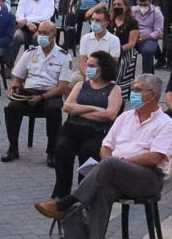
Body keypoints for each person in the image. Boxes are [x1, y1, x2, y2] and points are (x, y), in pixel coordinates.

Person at [34, 74, 172, 239]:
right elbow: (105, 147)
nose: (132, 94)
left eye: (137, 90)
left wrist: (121, 162)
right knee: (103, 189)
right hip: (115, 174)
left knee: (109, 165)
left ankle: (66, 202)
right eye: (133, 89)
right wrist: (112, 161)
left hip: (148, 177)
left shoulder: (166, 124)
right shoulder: (125, 117)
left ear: (152, 95)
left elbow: (155, 158)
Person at [50, 51, 123, 198]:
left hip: (98, 132)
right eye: (87, 64)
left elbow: (109, 114)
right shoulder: (80, 85)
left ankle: (84, 192)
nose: (88, 68)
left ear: (103, 68)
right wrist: (93, 109)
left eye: (92, 66)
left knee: (88, 151)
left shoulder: (114, 89)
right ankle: (62, 191)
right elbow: (67, 107)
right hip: (75, 129)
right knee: (62, 148)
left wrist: (79, 110)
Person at [3, 22, 74, 163]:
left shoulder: (64, 57)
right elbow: (18, 79)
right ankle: (13, 147)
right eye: (39, 32)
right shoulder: (30, 53)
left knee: (54, 109)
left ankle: (52, 151)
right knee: (12, 108)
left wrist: (41, 97)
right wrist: (13, 90)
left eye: (45, 33)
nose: (41, 36)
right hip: (29, 92)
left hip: (50, 93)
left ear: (54, 35)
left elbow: (63, 87)